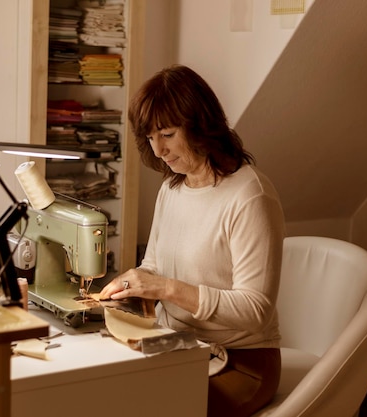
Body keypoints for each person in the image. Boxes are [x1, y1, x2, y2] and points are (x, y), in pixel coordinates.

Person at [99, 65, 285, 417]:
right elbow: (153, 266)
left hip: (242, 361)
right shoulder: (173, 187)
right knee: (99, 386)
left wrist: (167, 288)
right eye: (150, 137)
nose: (158, 150)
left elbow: (256, 311)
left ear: (201, 126)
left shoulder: (249, 197)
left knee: (143, 407)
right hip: (181, 345)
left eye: (167, 134)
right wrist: (127, 287)